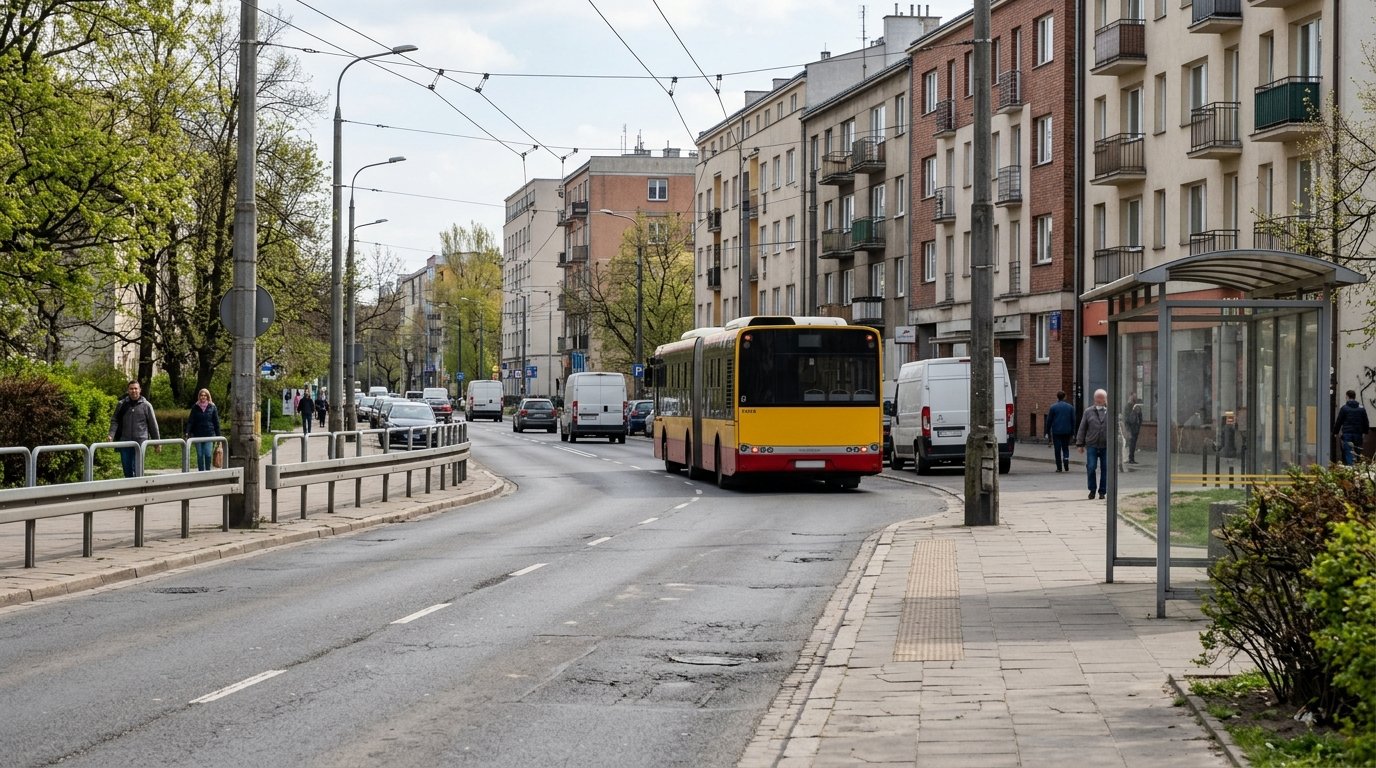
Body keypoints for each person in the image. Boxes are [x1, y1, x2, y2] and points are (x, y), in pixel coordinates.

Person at [108, 380, 161, 478]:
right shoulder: (121, 404)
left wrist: (157, 443)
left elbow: (153, 425)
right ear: (128, 390)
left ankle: (139, 489)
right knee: (127, 469)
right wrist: (111, 434)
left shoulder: (146, 405)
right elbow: (115, 420)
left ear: (140, 390)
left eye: (136, 388)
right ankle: (130, 489)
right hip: (125, 441)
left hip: (140, 442)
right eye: (131, 389)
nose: (134, 391)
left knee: (137, 468)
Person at [1076, 389, 1110, 500]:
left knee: (1105, 468)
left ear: (1105, 399)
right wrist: (1080, 444)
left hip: (1106, 445)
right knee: (1091, 467)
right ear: (1094, 399)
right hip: (1092, 444)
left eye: (1102, 398)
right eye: (1098, 398)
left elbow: (1116, 427)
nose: (1099, 400)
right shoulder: (1088, 411)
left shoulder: (1110, 411)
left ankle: (1102, 491)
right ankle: (1092, 489)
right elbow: (1082, 428)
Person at [184, 388, 221, 471]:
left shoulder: (212, 407)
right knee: (200, 455)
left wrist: (219, 437)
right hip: (198, 435)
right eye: (201, 395)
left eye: (204, 395)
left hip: (209, 435)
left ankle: (207, 471)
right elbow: (191, 421)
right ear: (199, 396)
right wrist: (187, 432)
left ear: (207, 396)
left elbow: (216, 423)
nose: (203, 397)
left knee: (208, 454)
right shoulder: (195, 407)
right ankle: (201, 472)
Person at [1334, 389, 1369, 466]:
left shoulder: (1344, 408)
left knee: (1348, 452)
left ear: (1347, 396)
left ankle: (1350, 468)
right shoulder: (1361, 409)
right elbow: (1365, 421)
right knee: (1357, 451)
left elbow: (1339, 421)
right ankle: (1358, 469)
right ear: (1354, 397)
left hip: (1347, 434)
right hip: (1358, 434)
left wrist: (1336, 432)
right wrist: (1365, 432)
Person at [1045, 391, 1076, 473]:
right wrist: (1073, 432)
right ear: (1064, 397)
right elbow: (1073, 420)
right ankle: (1066, 461)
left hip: (1056, 431)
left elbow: (1049, 421)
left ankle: (1059, 467)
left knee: (1057, 449)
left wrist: (1047, 431)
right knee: (1065, 448)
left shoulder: (1053, 407)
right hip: (1067, 431)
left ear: (1057, 397)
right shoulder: (1070, 407)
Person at [1124, 394, 1143, 464]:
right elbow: (1128, 419)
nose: (1134, 399)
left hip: (1135, 428)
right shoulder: (1128, 406)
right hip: (1130, 428)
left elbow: (1140, 416)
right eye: (1133, 397)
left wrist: (1139, 424)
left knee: (1133, 444)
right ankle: (1130, 458)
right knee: (1131, 443)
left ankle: (1131, 458)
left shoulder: (1136, 406)